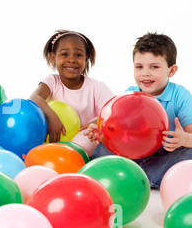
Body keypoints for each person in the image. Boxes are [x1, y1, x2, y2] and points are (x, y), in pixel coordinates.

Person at [85, 32, 192, 188]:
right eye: (139, 67)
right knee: (102, 149)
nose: (145, 73)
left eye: (154, 67)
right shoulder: (129, 94)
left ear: (172, 70)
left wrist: (183, 139)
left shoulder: (180, 95)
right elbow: (115, 130)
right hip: (132, 155)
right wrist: (102, 134)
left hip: (164, 156)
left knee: (188, 153)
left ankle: (134, 176)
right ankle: (143, 176)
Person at [30, 30, 114, 143]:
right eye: (65, 54)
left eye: (78, 55)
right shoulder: (52, 81)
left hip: (87, 140)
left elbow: (114, 115)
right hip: (55, 143)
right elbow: (34, 97)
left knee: (83, 142)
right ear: (53, 57)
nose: (71, 60)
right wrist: (51, 116)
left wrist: (95, 124)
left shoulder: (97, 87)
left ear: (86, 58)